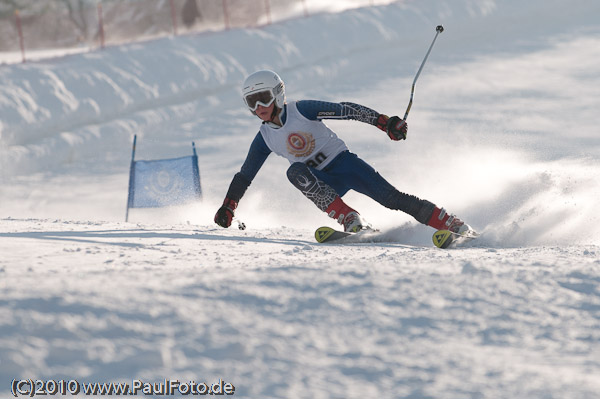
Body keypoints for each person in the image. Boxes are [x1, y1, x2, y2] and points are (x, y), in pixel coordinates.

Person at [214, 70, 472, 236]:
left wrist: (384, 123)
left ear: (278, 94)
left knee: (392, 199)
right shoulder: (265, 138)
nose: (259, 107)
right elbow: (244, 176)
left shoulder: (301, 110)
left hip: (346, 165)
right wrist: (229, 206)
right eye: (252, 102)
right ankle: (350, 218)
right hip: (322, 181)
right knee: (295, 172)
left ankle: (451, 223)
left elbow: (345, 110)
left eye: (263, 98)